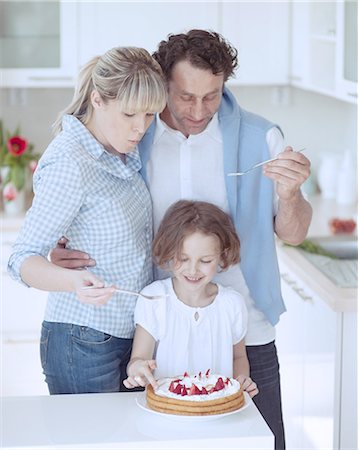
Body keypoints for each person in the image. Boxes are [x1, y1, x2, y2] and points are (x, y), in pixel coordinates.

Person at [49, 30, 312, 449]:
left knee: (264, 441)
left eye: (212, 95)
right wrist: (58, 245)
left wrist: (291, 194)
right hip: (161, 332)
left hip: (247, 327)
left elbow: (295, 234)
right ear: (162, 84)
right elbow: (86, 195)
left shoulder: (262, 140)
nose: (198, 109)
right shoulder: (135, 136)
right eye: (185, 96)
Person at [7, 46, 167, 395]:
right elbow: (20, 260)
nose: (140, 127)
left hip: (129, 334)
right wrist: (73, 281)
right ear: (98, 100)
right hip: (82, 339)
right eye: (130, 114)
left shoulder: (121, 150)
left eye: (150, 115)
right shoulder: (71, 163)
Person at [123, 199, 258, 399]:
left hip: (217, 411)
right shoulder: (153, 298)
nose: (193, 270)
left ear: (222, 255)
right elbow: (138, 359)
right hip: (167, 410)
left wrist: (242, 380)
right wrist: (138, 370)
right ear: (169, 251)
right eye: (183, 258)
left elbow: (239, 357)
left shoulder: (232, 304)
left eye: (205, 261)